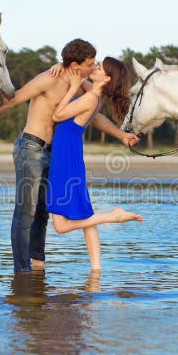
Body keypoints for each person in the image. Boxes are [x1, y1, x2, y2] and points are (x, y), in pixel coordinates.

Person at [0, 39, 138, 273]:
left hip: (55, 153)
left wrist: (121, 135)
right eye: (91, 63)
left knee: (43, 212)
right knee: (26, 212)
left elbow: (95, 111)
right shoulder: (48, 78)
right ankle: (22, 270)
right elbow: (16, 98)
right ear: (77, 64)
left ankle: (37, 264)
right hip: (31, 148)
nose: (94, 67)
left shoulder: (82, 85)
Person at [47, 57, 143, 270]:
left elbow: (57, 115)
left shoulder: (91, 98)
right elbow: (77, 74)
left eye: (99, 68)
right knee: (85, 215)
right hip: (70, 154)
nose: (95, 67)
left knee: (61, 226)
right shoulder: (94, 94)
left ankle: (114, 216)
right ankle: (96, 270)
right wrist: (61, 67)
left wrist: (72, 89)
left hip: (65, 158)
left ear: (106, 78)